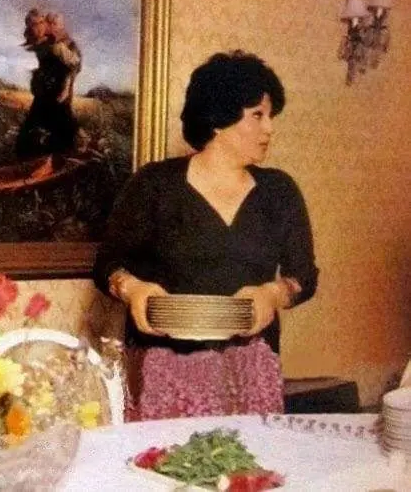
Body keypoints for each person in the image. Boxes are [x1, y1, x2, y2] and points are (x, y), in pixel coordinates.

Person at [93, 50, 319, 421]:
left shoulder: (279, 191)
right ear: (218, 118)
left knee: (245, 459)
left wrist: (273, 294)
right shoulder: (154, 185)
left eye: (270, 116)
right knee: (167, 459)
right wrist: (133, 290)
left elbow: (304, 276)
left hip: (250, 371)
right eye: (257, 115)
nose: (269, 129)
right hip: (165, 370)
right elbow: (107, 264)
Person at [15, 9, 81, 168]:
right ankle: (29, 163)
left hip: (57, 92)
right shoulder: (42, 41)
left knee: (62, 129)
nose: (35, 28)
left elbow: (74, 64)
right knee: (31, 131)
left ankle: (61, 164)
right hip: (45, 92)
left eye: (38, 24)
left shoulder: (59, 45)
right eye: (31, 25)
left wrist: (66, 87)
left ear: (44, 23)